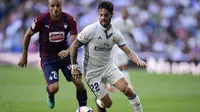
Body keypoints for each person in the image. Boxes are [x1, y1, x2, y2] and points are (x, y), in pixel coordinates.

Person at [70, 1, 146, 112]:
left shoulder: (115, 33)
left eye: (106, 15)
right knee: (108, 104)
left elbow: (128, 51)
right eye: (101, 15)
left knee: (127, 89)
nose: (103, 18)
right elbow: (74, 47)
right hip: (92, 73)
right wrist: (74, 67)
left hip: (108, 67)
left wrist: (137, 60)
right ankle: (99, 103)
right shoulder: (90, 30)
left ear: (112, 14)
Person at [18, 0, 87, 109]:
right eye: (53, 6)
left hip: (65, 57)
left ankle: (83, 108)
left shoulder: (69, 19)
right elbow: (27, 35)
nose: (55, 8)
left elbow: (75, 42)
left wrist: (68, 51)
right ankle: (50, 93)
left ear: (61, 6)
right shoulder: (41, 19)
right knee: (54, 88)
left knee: (79, 82)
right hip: (48, 59)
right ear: (49, 6)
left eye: (58, 5)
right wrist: (24, 55)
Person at [107, 7, 141, 92]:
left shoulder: (130, 23)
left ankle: (111, 85)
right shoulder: (116, 22)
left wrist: (136, 43)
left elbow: (131, 34)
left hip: (126, 46)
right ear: (121, 13)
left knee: (122, 66)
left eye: (126, 13)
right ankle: (122, 85)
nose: (125, 14)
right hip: (116, 46)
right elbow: (109, 31)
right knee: (119, 66)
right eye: (123, 12)